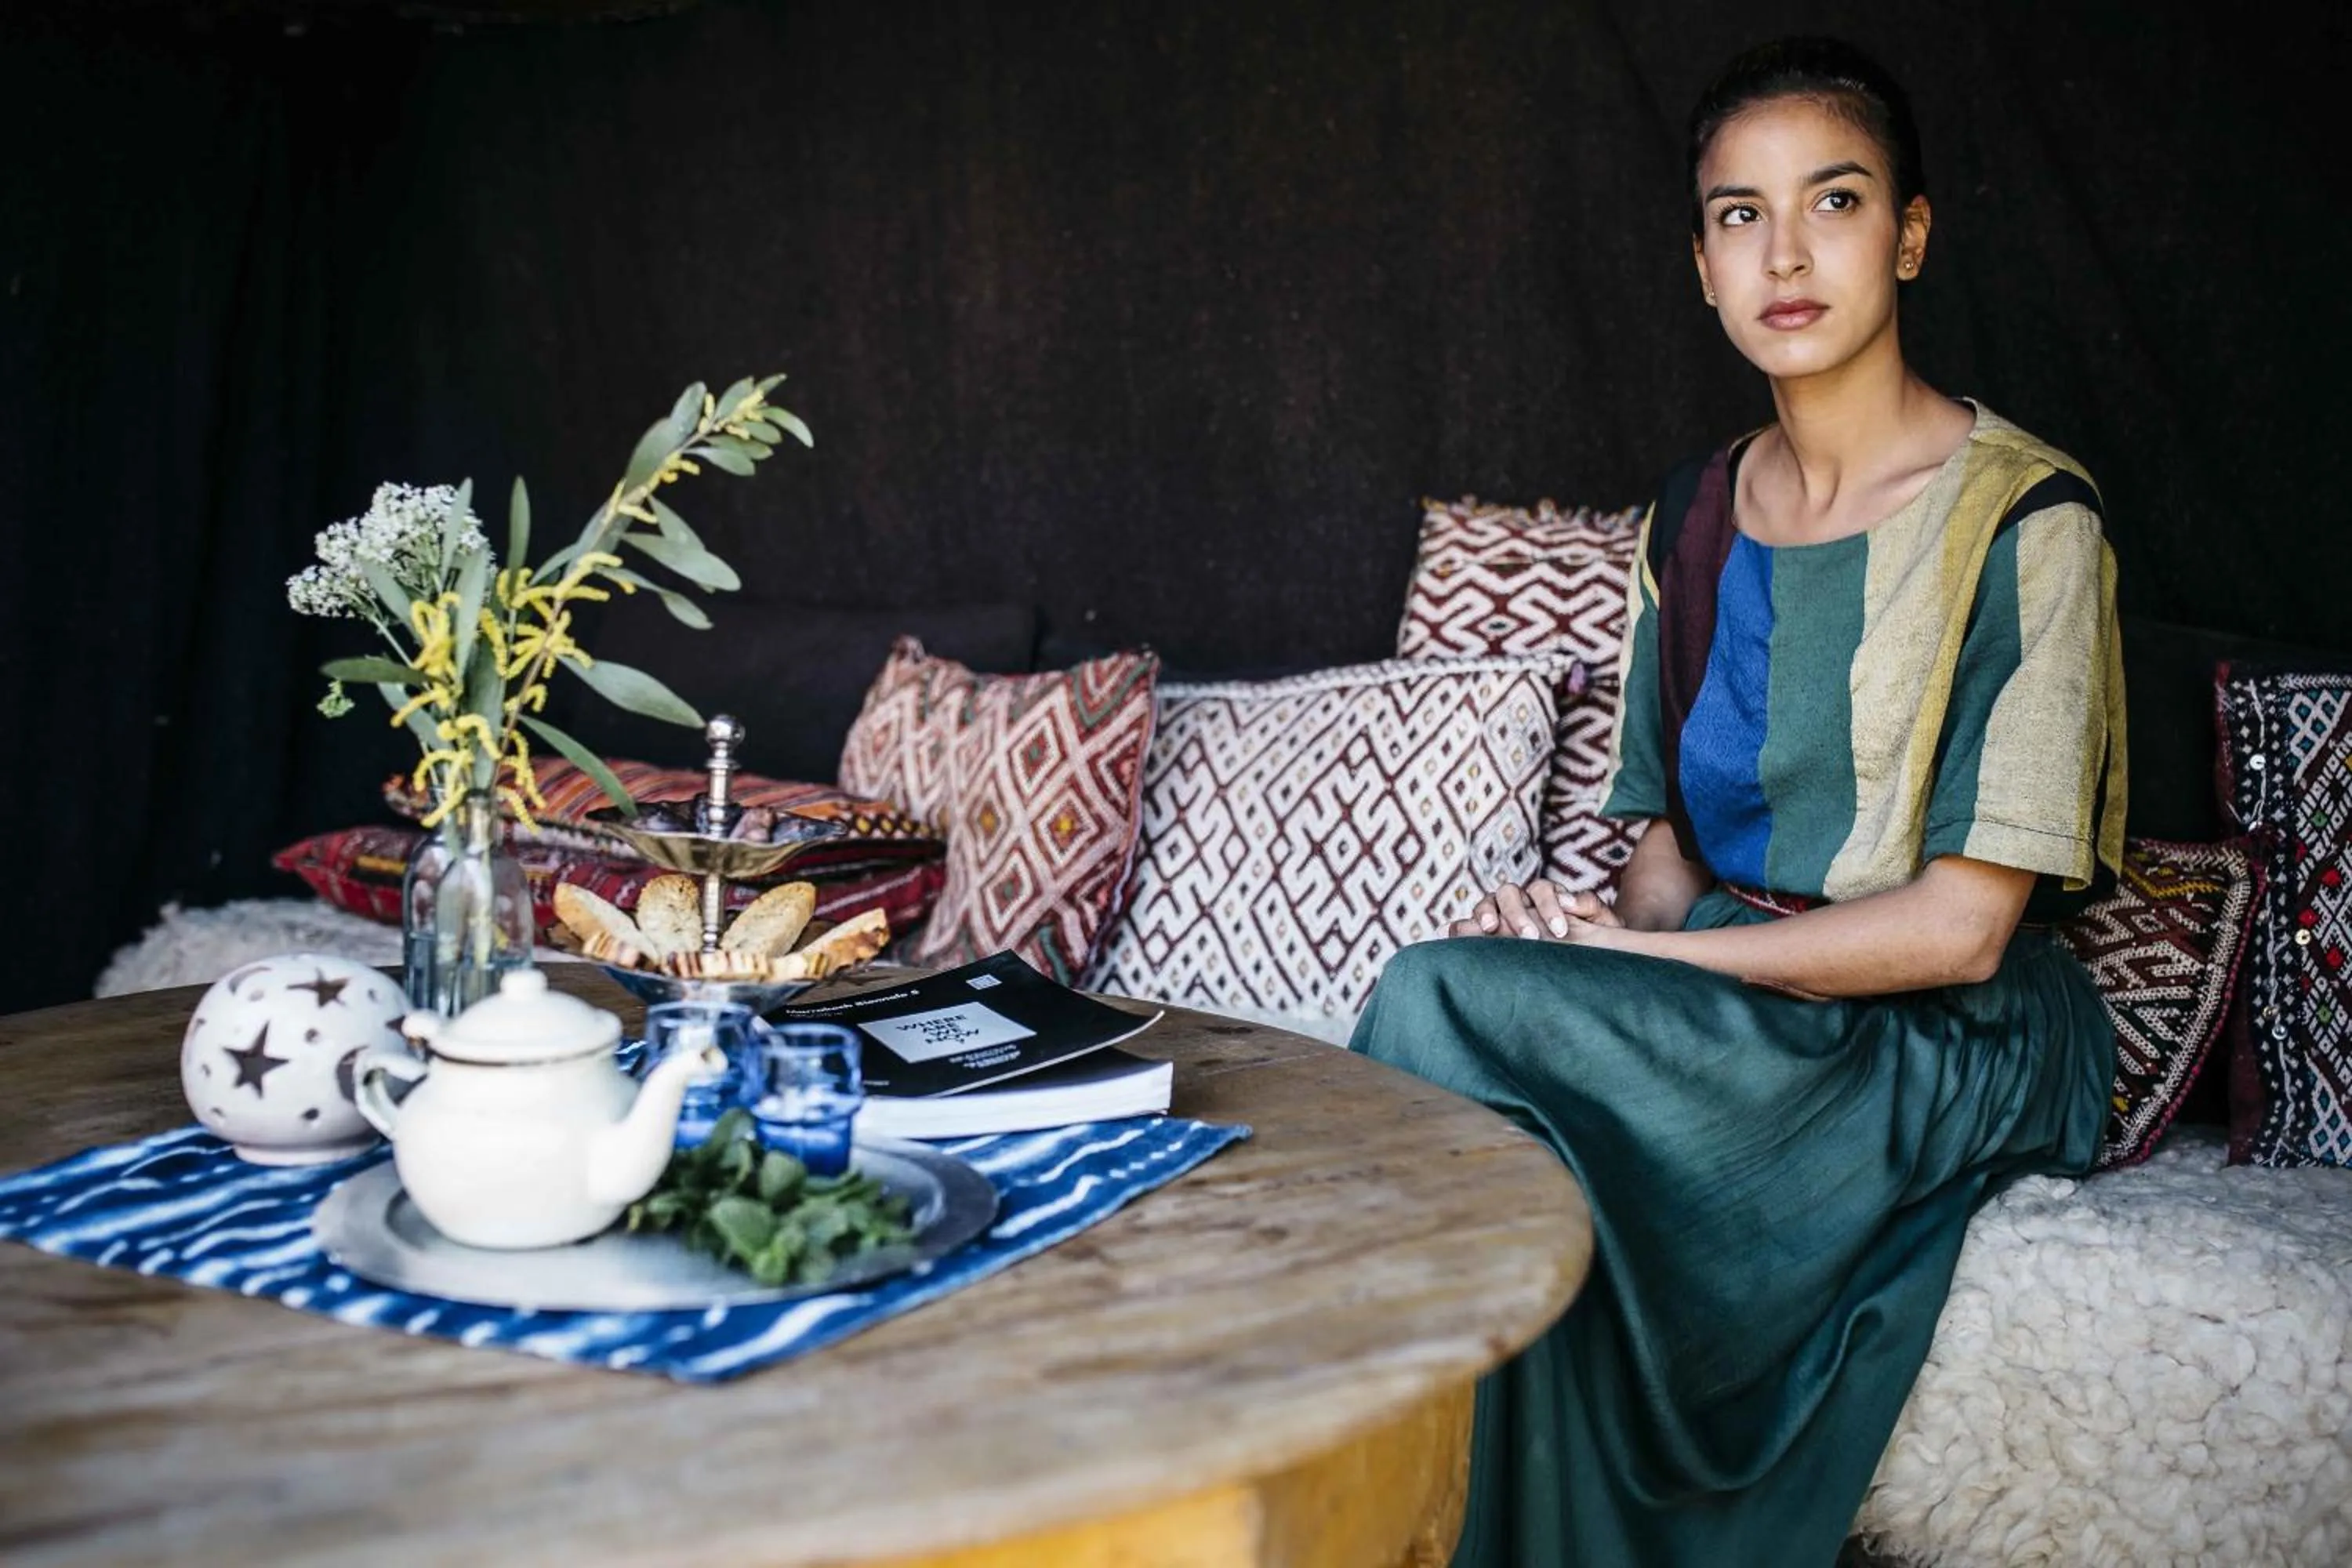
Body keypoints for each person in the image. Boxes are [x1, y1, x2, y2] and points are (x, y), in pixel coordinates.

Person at [1349, 35, 2127, 1568]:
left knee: (1431, 1009)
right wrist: (1565, 941)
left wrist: (1628, 974)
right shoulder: (1695, 515)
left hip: (1952, 1037)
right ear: (1702, 263)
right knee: (1480, 1016)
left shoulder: (2032, 519)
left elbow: (1966, 932)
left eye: (1831, 202)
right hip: (1757, 981)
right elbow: (1663, 867)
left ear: (1907, 234)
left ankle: (1404, 1523)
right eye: (1737, 214)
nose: (1784, 252)